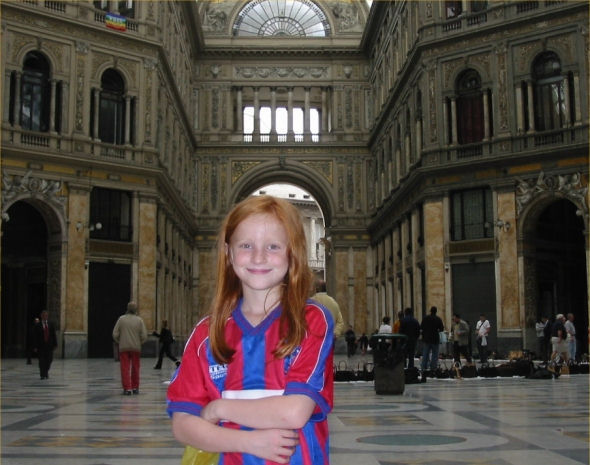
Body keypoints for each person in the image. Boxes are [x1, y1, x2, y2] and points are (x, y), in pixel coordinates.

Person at [166, 195, 334, 465]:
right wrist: (248, 442)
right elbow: (183, 425)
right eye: (246, 245)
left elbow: (293, 412)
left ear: (293, 253)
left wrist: (218, 408)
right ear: (228, 252)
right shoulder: (206, 334)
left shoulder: (310, 321)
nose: (258, 256)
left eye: (273, 246)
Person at [112, 301, 147, 395]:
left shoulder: (121, 319)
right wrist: (139, 342)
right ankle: (135, 387)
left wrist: (120, 341)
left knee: (125, 368)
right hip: (136, 347)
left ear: (127, 308)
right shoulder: (139, 320)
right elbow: (144, 335)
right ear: (136, 310)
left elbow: (115, 334)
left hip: (124, 347)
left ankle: (127, 388)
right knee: (135, 367)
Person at [33, 311, 57, 379]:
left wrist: (55, 344)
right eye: (44, 315)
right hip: (41, 346)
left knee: (49, 360)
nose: (45, 317)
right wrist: (35, 346)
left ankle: (45, 371)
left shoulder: (51, 324)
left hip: (49, 346)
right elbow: (35, 336)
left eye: (46, 315)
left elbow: (53, 335)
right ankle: (42, 374)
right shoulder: (37, 325)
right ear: (41, 316)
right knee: (41, 361)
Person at [420, 306, 444, 372]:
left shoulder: (425, 318)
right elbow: (441, 329)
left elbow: (421, 327)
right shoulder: (438, 319)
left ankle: (423, 367)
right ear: (436, 311)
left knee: (425, 354)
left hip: (426, 339)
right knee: (435, 355)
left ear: (430, 311)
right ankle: (433, 368)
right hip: (435, 339)